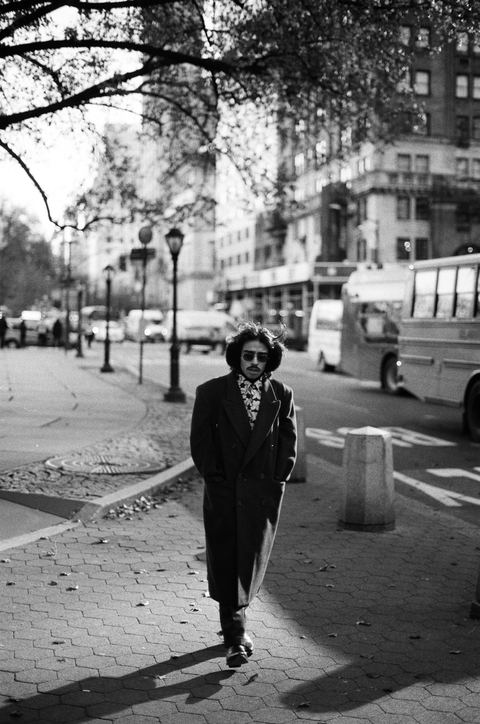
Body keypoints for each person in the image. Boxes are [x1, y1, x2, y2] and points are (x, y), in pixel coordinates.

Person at [190, 321, 297, 669]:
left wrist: (278, 480)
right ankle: (235, 638)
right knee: (227, 561)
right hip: (225, 492)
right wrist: (216, 479)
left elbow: (288, 443)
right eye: (248, 355)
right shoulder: (211, 392)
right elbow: (201, 443)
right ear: (236, 357)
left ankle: (235, 627)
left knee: (249, 563)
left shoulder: (282, 394)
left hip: (262, 495)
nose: (254, 362)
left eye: (261, 357)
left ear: (270, 360)